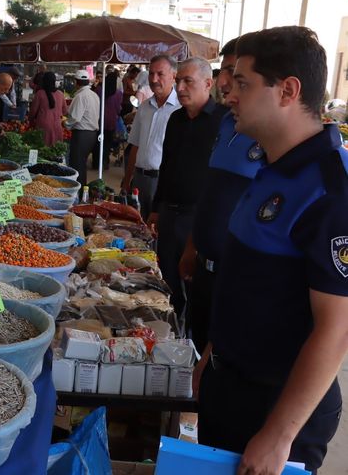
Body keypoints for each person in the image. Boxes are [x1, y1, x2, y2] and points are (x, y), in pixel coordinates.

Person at [195, 26, 348, 475]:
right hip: (230, 383)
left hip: (277, 407)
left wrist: (280, 435)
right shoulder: (269, 165)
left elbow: (336, 331)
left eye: (242, 83)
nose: (229, 94)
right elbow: (248, 281)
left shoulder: (330, 192)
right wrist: (213, 353)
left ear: (288, 91)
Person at [178, 38, 265, 353]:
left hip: (236, 282)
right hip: (204, 269)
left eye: (234, 73)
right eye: (225, 71)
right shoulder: (227, 123)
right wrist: (193, 246)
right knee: (199, 349)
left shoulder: (270, 137)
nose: (225, 82)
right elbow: (210, 195)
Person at [148, 57, 224, 320]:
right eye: (178, 80)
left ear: (207, 84)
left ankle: (192, 336)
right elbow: (165, 166)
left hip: (198, 217)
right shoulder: (176, 119)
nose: (179, 87)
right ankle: (170, 329)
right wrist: (156, 209)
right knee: (166, 276)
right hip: (170, 212)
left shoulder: (223, 122)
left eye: (187, 81)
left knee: (195, 281)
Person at [121, 54, 180, 220]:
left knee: (157, 230)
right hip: (139, 179)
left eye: (160, 74)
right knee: (136, 228)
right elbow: (135, 145)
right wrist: (127, 180)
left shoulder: (180, 110)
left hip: (163, 182)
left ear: (173, 76)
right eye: (151, 73)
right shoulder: (144, 107)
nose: (154, 79)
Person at [66, 69, 100, 190]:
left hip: (82, 134)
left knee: (77, 165)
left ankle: (78, 192)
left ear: (77, 82)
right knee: (81, 163)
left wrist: (65, 124)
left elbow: (75, 117)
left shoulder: (80, 96)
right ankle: (82, 191)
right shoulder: (94, 95)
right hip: (92, 134)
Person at [90, 69, 123, 170]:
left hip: (99, 120)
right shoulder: (118, 93)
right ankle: (105, 162)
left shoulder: (99, 90)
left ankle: (96, 163)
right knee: (107, 143)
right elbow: (118, 109)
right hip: (111, 122)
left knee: (97, 142)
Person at [28, 71, 66, 145]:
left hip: (43, 126)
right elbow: (64, 111)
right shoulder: (60, 94)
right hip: (57, 125)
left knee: (42, 150)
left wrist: (31, 121)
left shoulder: (39, 93)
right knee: (56, 150)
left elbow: (33, 112)